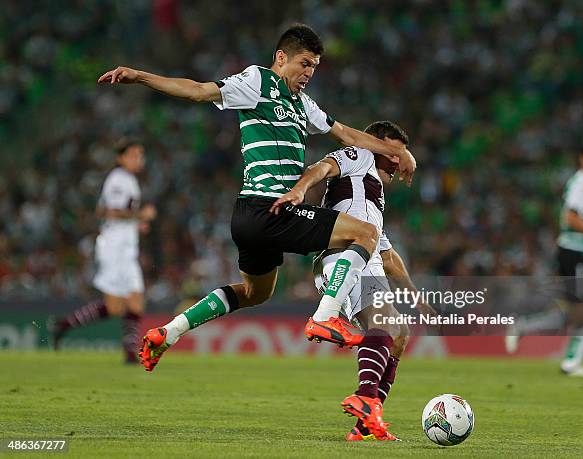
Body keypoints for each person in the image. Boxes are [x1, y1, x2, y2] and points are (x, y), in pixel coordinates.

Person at [97, 24, 417, 371]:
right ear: (281, 58)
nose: (309, 73)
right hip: (269, 207)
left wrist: (398, 152)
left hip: (251, 217)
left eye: (314, 67)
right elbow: (199, 91)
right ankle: (326, 315)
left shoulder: (303, 105)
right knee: (365, 233)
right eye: (304, 63)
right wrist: (140, 76)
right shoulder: (257, 82)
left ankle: (170, 332)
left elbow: (345, 133)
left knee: (255, 293)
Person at [272, 120, 435, 440]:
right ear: (376, 144)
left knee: (399, 333)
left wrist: (416, 298)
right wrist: (300, 189)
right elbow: (322, 167)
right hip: (345, 257)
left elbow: (388, 256)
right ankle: (364, 398)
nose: (397, 159)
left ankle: (365, 422)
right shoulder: (359, 155)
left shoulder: (371, 199)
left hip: (367, 257)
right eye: (394, 150)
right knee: (386, 325)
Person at [506, 143, 583, 377]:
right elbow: (570, 217)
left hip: (577, 251)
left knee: (579, 308)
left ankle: (530, 330)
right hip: (575, 252)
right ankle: (570, 361)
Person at [50, 139, 157, 363]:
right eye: (134, 155)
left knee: (133, 300)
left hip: (125, 246)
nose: (139, 160)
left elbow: (102, 210)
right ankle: (64, 325)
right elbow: (112, 211)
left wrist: (136, 223)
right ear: (121, 157)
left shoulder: (127, 180)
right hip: (115, 248)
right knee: (117, 305)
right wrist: (141, 216)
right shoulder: (119, 179)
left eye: (140, 155)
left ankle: (129, 353)